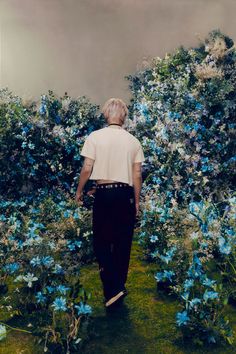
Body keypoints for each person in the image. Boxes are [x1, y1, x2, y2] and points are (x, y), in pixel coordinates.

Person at [75, 98, 145, 308]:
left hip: (104, 195)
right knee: (123, 242)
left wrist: (80, 190)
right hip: (125, 195)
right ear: (123, 116)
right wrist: (136, 201)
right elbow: (137, 174)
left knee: (101, 242)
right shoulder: (133, 141)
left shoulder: (95, 137)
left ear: (106, 114)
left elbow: (88, 167)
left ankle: (113, 289)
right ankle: (117, 287)